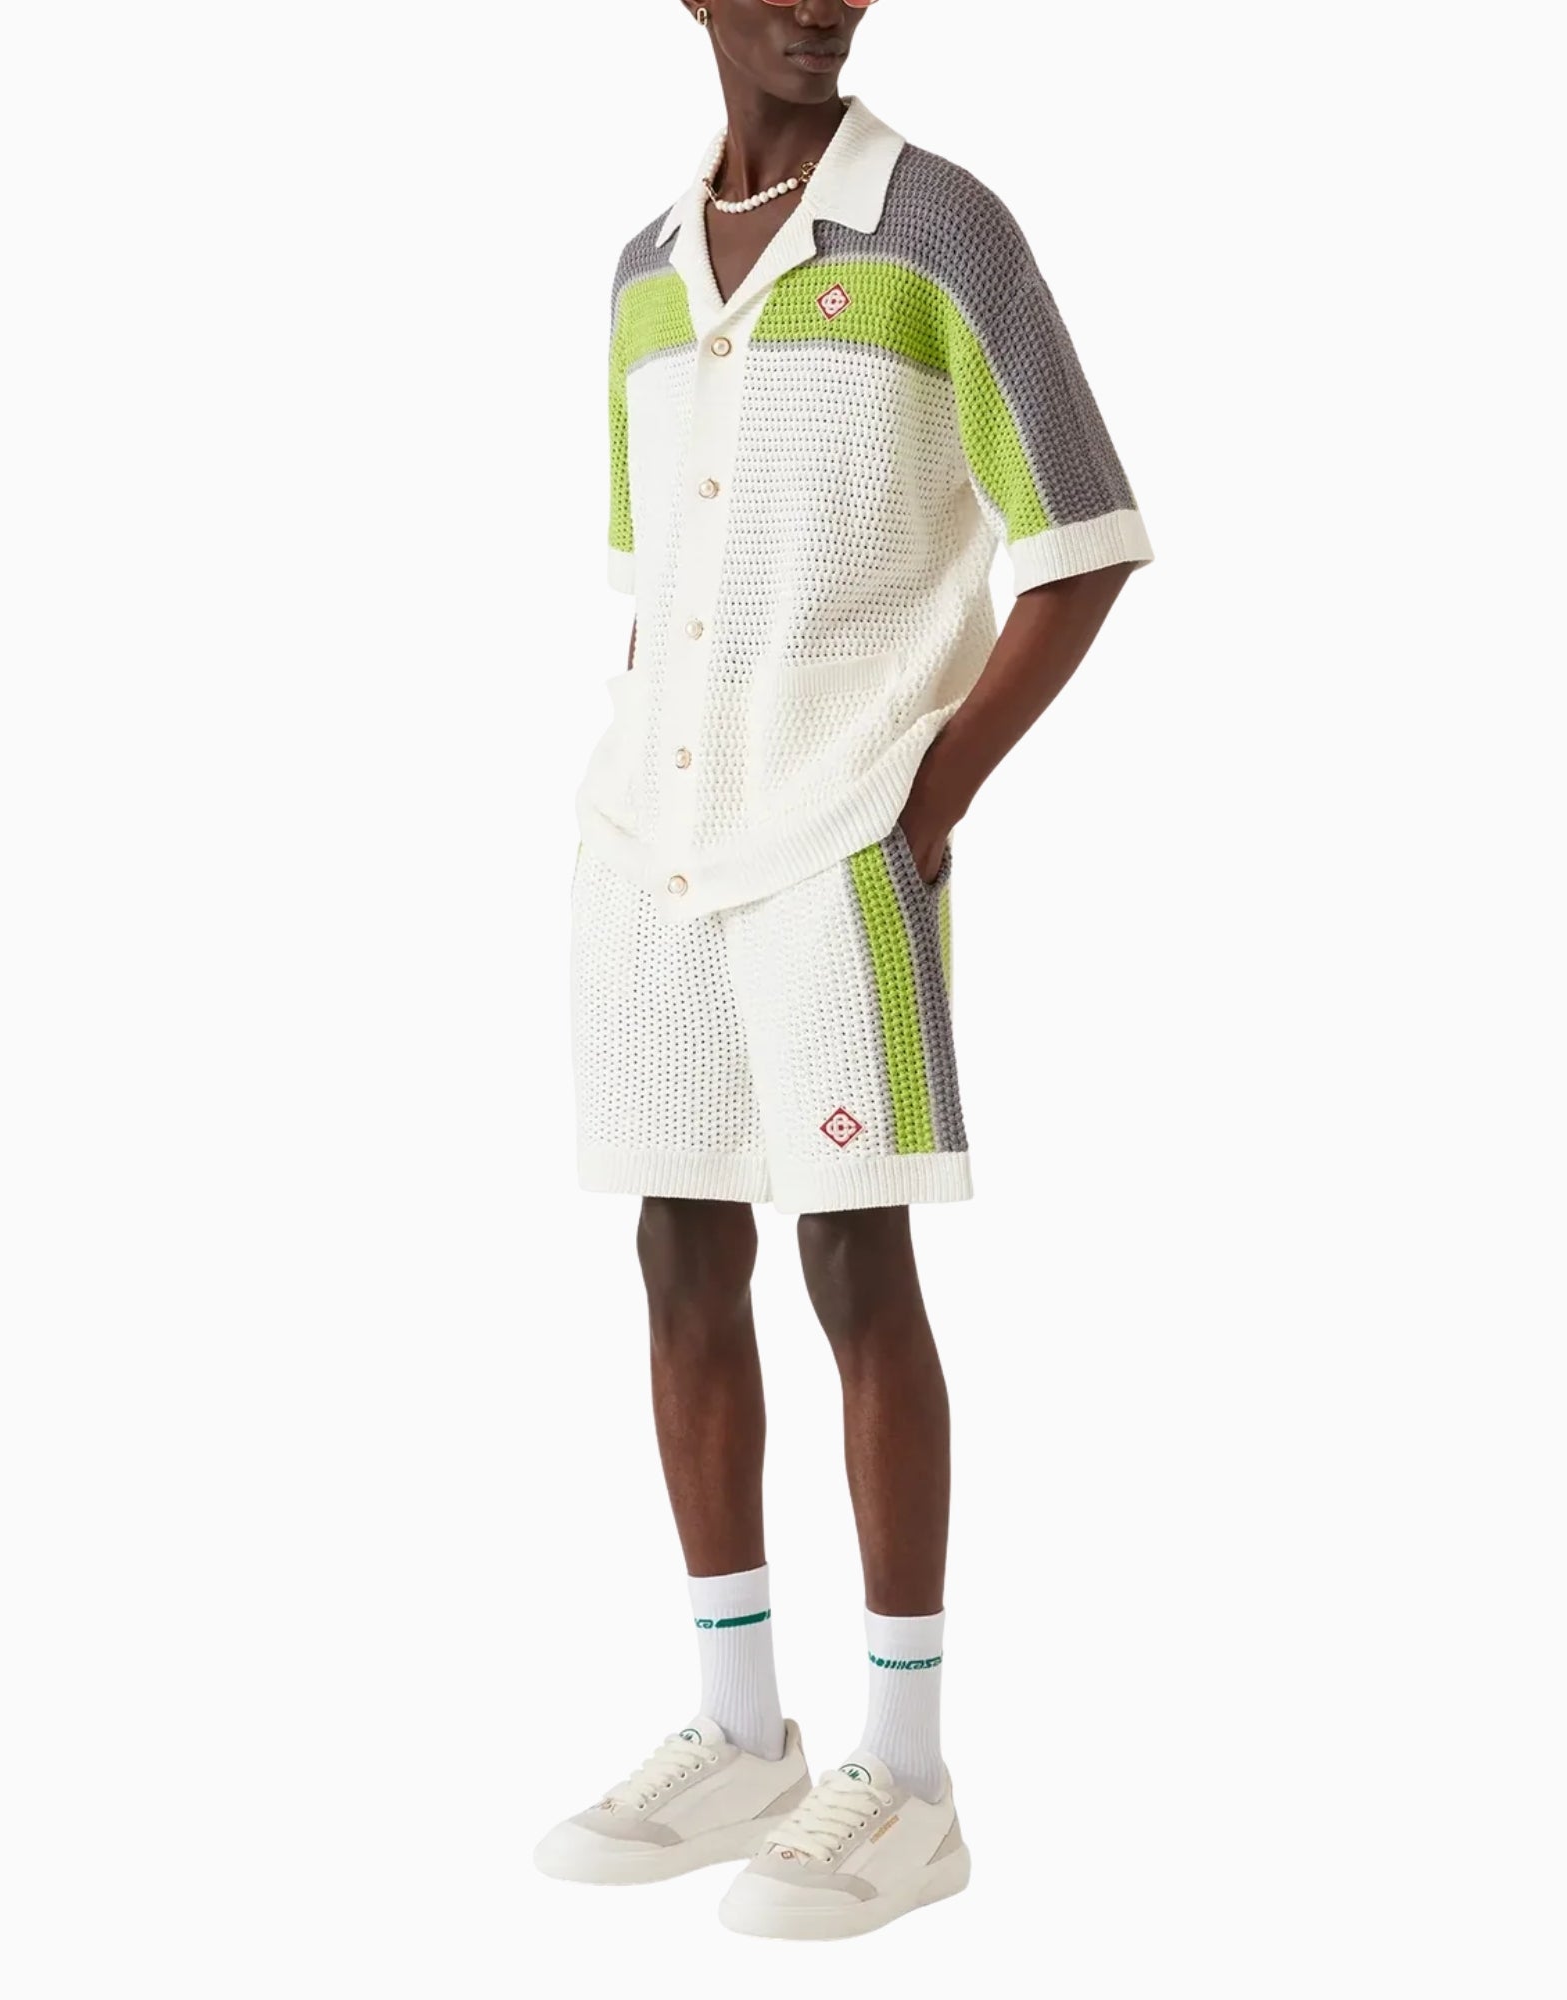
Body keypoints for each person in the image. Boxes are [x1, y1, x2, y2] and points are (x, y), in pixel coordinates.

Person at [535, 0, 1152, 1940]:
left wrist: (928, 801)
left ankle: (906, 1773)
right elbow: (656, 591)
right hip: (649, 846)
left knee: (852, 1261)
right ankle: (741, 1731)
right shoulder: (641, 272)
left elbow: (1083, 539)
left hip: (839, 839)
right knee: (678, 1249)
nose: (824, 2)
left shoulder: (937, 228)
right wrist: (641, 772)